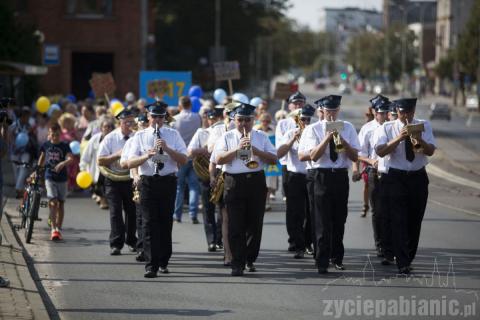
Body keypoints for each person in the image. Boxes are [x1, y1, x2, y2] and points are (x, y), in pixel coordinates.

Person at [298, 95, 360, 274]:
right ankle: (322, 260)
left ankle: (337, 257)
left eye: (335, 110)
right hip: (321, 176)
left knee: (339, 219)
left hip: (340, 176)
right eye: (328, 110)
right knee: (322, 221)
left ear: (338, 110)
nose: (331, 114)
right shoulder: (313, 130)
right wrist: (327, 138)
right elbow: (313, 156)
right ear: (322, 111)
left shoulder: (347, 127)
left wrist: (341, 138)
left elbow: (355, 156)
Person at [125, 101, 187, 278]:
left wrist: (167, 149)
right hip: (147, 182)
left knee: (165, 222)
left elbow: (183, 160)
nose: (157, 120)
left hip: (167, 182)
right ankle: (151, 265)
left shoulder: (173, 134)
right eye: (154, 117)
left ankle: (163, 261)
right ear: (148, 117)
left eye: (161, 117)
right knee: (149, 223)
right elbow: (129, 162)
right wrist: (147, 155)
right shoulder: (140, 136)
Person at [374, 98, 436, 274]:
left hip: (417, 177)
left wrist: (418, 139)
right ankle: (403, 262)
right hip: (395, 178)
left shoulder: (424, 125)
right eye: (402, 113)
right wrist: (399, 138)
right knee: (398, 220)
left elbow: (430, 151)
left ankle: (408, 256)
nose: (405, 116)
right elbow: (380, 151)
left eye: (408, 112)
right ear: (396, 111)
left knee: (414, 221)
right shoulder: (386, 127)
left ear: (414, 111)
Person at [215, 103, 277, 276]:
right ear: (234, 120)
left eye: (247, 120)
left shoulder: (261, 136)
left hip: (256, 181)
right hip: (233, 181)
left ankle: (249, 258)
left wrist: (255, 150)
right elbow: (218, 159)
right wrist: (237, 149)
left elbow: (273, 159)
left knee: (254, 224)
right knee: (235, 224)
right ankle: (237, 262)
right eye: (240, 120)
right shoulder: (227, 137)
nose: (243, 123)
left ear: (253, 119)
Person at [277, 104, 315, 259]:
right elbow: (279, 154)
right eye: (301, 119)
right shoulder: (290, 133)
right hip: (295, 177)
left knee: (312, 213)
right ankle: (298, 245)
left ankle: (307, 243)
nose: (304, 122)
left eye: (307, 119)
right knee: (295, 213)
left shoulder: (314, 133)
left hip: (311, 176)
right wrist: (293, 138)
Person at [355, 95, 391, 259]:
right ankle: (381, 246)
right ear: (375, 113)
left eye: (387, 112)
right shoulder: (367, 128)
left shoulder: (393, 127)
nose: (385, 116)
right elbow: (359, 154)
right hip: (374, 172)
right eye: (382, 113)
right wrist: (370, 160)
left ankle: (392, 246)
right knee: (378, 210)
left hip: (392, 173)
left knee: (393, 210)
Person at [97, 108, 137, 256]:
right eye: (127, 122)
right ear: (120, 122)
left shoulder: (136, 136)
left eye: (132, 122)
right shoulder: (110, 138)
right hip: (113, 179)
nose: (130, 125)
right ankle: (116, 243)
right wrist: (118, 154)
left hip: (131, 178)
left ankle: (132, 240)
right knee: (115, 211)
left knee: (132, 211)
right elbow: (100, 160)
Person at [275, 91, 306, 252]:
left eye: (301, 103)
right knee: (293, 207)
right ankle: (294, 239)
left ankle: (306, 240)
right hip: (289, 166)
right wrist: (293, 137)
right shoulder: (283, 124)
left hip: (307, 168)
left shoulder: (310, 121)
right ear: (289, 106)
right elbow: (280, 149)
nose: (298, 106)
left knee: (308, 208)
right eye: (296, 103)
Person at [188, 108, 222, 252]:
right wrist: (206, 150)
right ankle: (211, 241)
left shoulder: (224, 131)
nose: (212, 121)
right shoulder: (201, 133)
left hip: (222, 174)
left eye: (215, 118)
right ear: (207, 119)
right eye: (211, 118)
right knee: (208, 208)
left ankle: (220, 238)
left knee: (222, 208)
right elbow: (189, 152)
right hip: (205, 176)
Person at [37, 123, 74, 240]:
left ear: (60, 134)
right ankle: (53, 229)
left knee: (61, 203)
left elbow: (70, 158)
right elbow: (42, 158)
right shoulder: (46, 145)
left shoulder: (64, 146)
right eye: (52, 135)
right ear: (49, 134)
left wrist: (63, 163)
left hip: (62, 179)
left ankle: (58, 228)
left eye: (57, 135)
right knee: (53, 202)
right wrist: (37, 171)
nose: (55, 137)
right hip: (50, 177)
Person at [172, 96, 202, 223]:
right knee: (194, 186)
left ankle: (177, 215)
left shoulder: (176, 119)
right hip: (194, 155)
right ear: (190, 104)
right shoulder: (197, 117)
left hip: (181, 155)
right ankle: (193, 214)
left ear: (180, 105)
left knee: (179, 187)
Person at [80, 117, 115, 209]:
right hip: (98, 168)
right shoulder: (95, 139)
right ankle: (102, 199)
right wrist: (83, 167)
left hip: (111, 168)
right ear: (101, 128)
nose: (107, 129)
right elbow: (86, 154)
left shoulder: (115, 138)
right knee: (99, 184)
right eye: (105, 127)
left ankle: (105, 200)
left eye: (110, 127)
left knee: (109, 186)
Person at [9, 106, 37, 198]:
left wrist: (31, 134)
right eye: (26, 116)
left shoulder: (29, 126)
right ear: (21, 116)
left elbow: (33, 138)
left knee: (24, 169)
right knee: (16, 171)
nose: (27, 118)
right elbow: (9, 137)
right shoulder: (13, 126)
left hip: (26, 151)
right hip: (14, 151)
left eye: (28, 116)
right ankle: (19, 190)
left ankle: (18, 188)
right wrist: (13, 143)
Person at [254, 112, 277, 211]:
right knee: (261, 182)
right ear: (260, 120)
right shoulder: (255, 130)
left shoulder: (274, 131)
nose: (265, 123)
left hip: (270, 159)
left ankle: (267, 201)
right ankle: (261, 201)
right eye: (263, 121)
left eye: (268, 121)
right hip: (259, 159)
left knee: (270, 182)